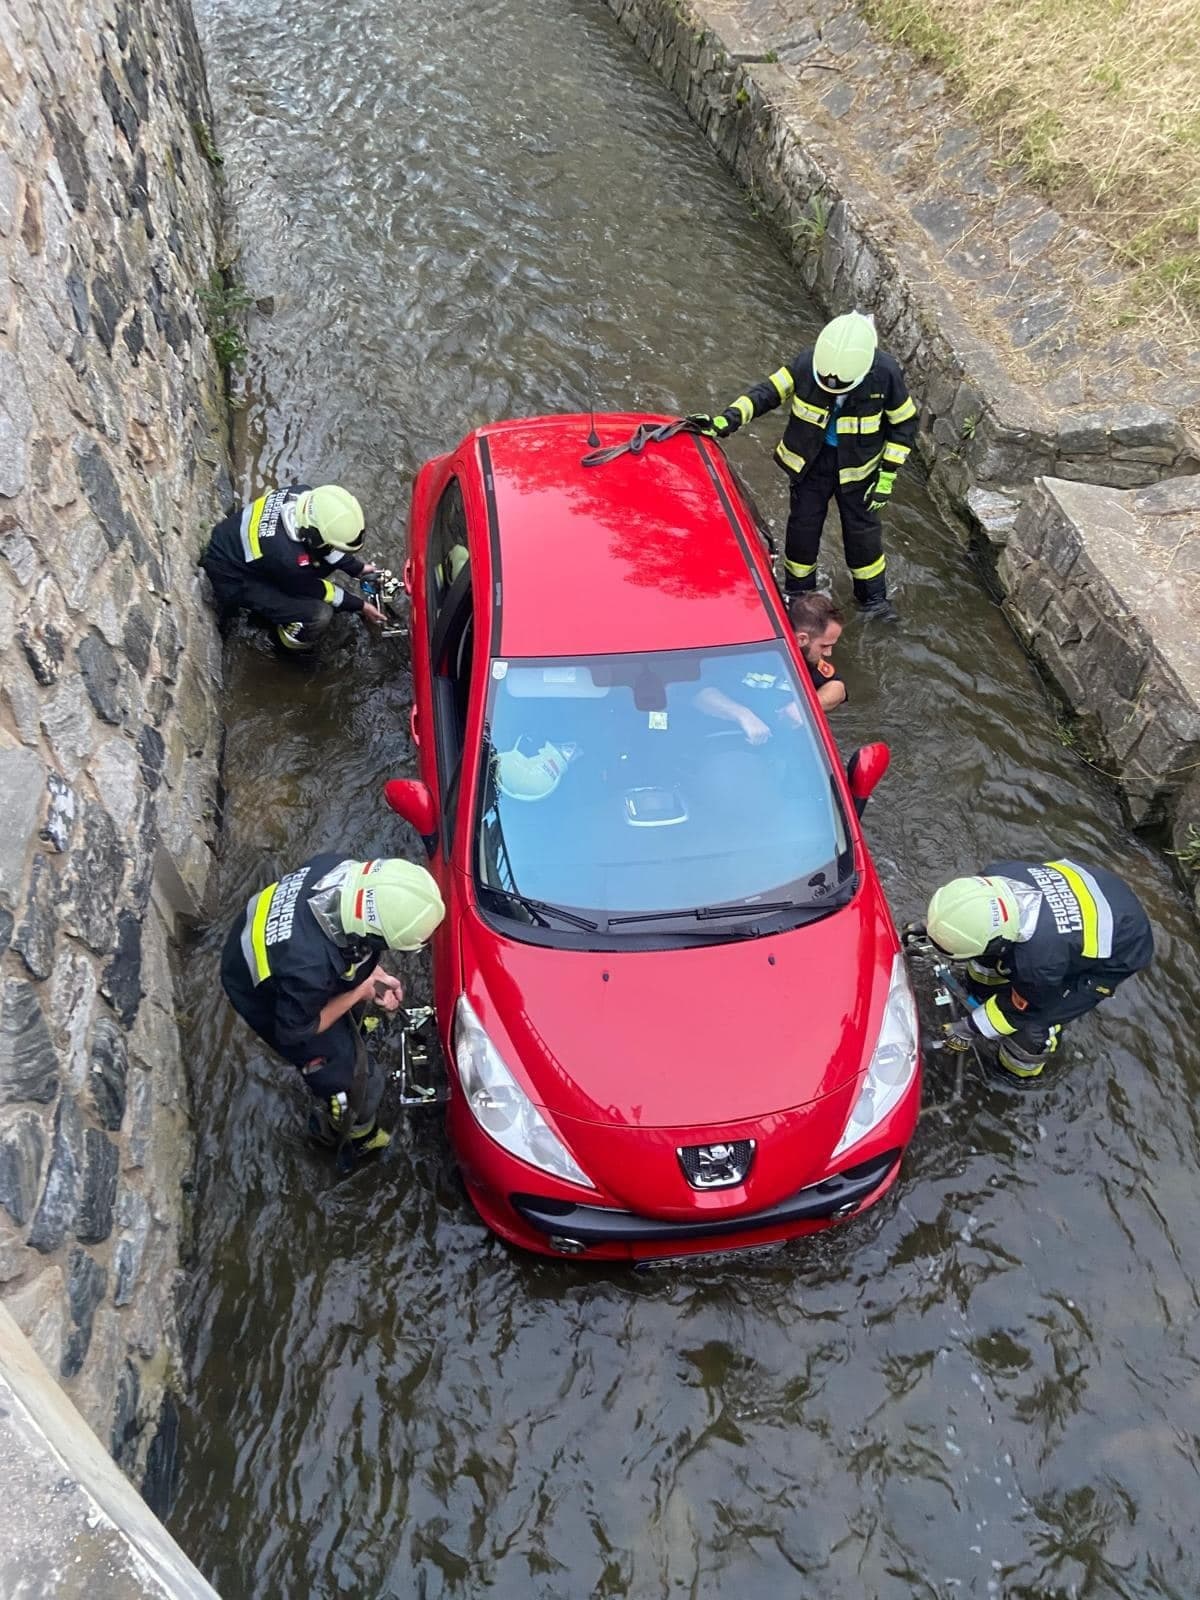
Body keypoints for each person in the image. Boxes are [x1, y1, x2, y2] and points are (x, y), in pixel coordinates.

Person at [689, 311, 917, 620]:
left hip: (861, 473)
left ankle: (873, 601)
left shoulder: (885, 374)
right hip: (811, 464)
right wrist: (724, 421)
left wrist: (888, 474)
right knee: (802, 531)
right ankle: (799, 596)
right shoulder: (809, 364)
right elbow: (765, 394)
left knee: (862, 537)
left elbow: (904, 424)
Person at [220, 855, 445, 1159]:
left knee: (344, 1006)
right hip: (259, 988)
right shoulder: (308, 968)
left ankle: (353, 1033)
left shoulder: (337, 870)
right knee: (358, 1085)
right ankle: (349, 1136)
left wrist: (375, 978)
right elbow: (295, 1032)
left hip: (282, 955)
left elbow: (353, 947)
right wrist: (359, 992)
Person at [925, 859, 1153, 1082]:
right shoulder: (995, 875)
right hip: (1098, 887)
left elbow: (1023, 1009)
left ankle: (1017, 1074)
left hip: (1123, 943)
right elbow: (966, 917)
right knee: (986, 959)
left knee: (1033, 1027)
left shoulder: (1040, 964)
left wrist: (969, 1028)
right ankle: (982, 992)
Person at [201, 482, 388, 654]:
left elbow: (327, 546)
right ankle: (287, 645)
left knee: (314, 564)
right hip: (231, 576)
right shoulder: (287, 558)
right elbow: (319, 590)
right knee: (319, 614)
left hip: (238, 545)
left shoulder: (304, 496)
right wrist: (360, 606)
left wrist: (359, 569)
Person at [694, 592, 847, 741]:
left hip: (786, 745)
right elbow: (701, 694)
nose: (828, 653)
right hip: (730, 740)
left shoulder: (806, 661)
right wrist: (742, 715)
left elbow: (837, 688)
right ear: (801, 639)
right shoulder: (746, 650)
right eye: (824, 646)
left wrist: (804, 706)